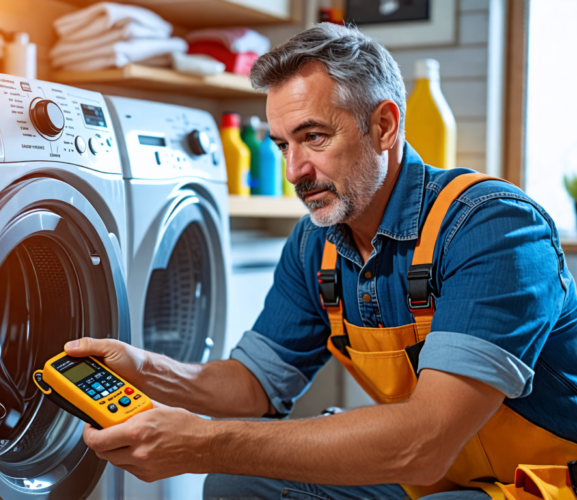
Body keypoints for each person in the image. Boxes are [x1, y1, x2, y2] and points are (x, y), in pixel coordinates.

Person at [66, 23, 577, 500]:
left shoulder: (492, 227)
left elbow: (425, 442)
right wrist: (144, 369)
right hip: (434, 475)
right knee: (235, 487)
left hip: (542, 484)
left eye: (314, 138)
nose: (295, 171)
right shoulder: (317, 246)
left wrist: (200, 441)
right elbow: (253, 385)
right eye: (282, 145)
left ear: (383, 126)